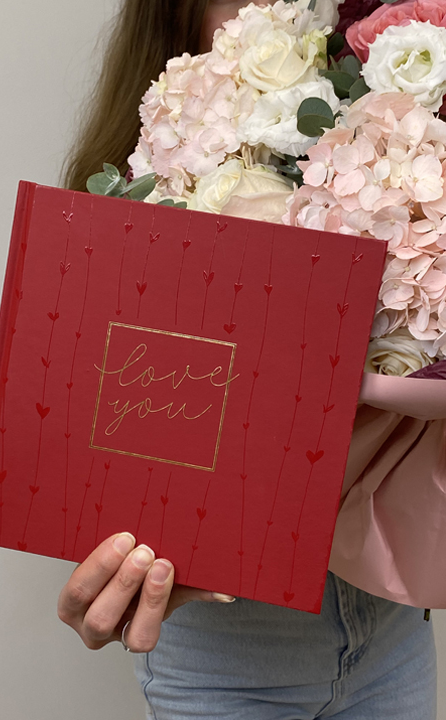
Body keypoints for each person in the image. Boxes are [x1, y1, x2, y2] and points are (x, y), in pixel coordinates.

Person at [56, 1, 438, 718]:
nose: (283, 10)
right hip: (228, 653)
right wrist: (120, 556)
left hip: (392, 626)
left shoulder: (400, 161)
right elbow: (120, 452)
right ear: (176, 18)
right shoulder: (124, 215)